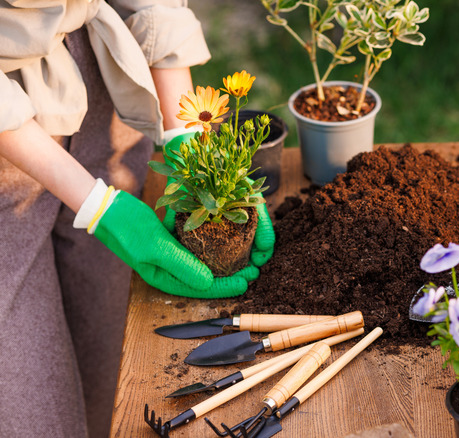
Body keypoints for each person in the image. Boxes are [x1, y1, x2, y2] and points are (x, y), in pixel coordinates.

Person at [0, 1, 274, 436]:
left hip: (101, 91)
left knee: (110, 365)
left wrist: (187, 135)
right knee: (31, 411)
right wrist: (98, 207)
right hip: (6, 154)